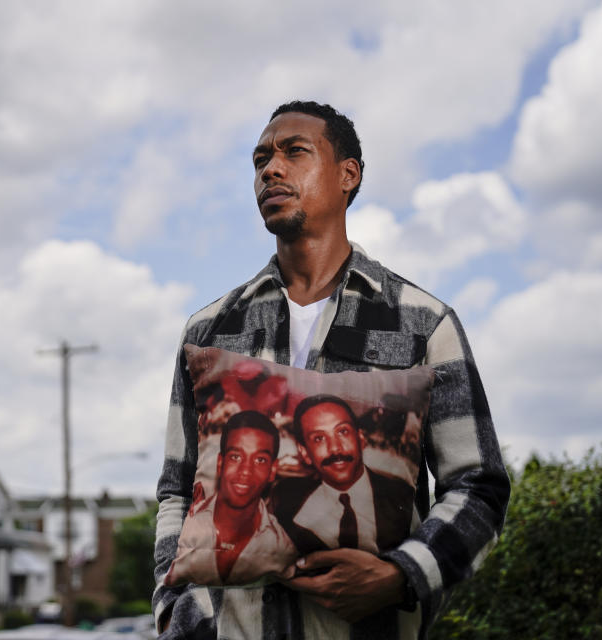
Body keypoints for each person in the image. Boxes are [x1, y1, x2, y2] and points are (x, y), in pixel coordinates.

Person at [152, 101, 510, 639]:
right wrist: (179, 616)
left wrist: (401, 574)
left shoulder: (423, 324)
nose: (270, 169)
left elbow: (478, 487)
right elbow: (178, 492)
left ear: (349, 175)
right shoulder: (207, 332)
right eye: (260, 160)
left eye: (295, 152)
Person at [269, 395, 414, 555]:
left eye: (343, 431)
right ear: (305, 453)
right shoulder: (283, 500)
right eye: (319, 438)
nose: (335, 449)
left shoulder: (403, 498)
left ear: (361, 439)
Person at [164, 410, 296, 586]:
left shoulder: (283, 545)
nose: (246, 471)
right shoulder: (191, 523)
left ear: (272, 470)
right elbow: (172, 494)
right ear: (220, 463)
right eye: (236, 457)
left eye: (260, 460)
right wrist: (165, 599)